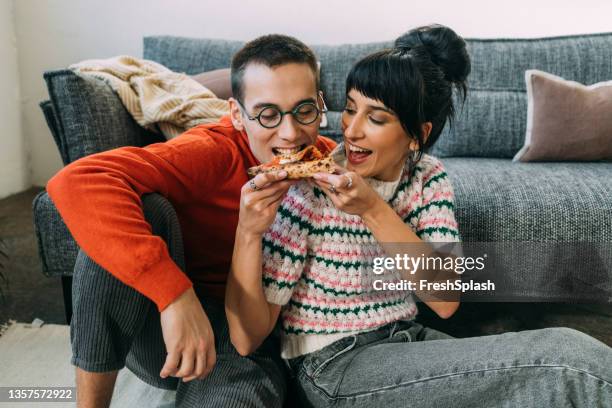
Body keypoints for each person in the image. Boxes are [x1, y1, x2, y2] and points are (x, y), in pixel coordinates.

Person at [225, 25, 612, 407]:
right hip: (334, 364)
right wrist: (248, 232)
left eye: (376, 119)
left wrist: (372, 209)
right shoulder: (309, 190)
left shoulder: (427, 176)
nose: (352, 131)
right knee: (566, 359)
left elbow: (445, 297)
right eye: (351, 109)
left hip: (408, 339)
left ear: (416, 135)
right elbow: (247, 339)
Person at [46, 34, 335, 408]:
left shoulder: (332, 166)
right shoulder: (210, 151)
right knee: (145, 210)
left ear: (320, 106)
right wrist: (175, 296)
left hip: (248, 339)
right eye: (267, 114)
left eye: (305, 110)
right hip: (167, 327)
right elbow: (77, 180)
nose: (291, 133)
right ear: (236, 114)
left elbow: (431, 273)